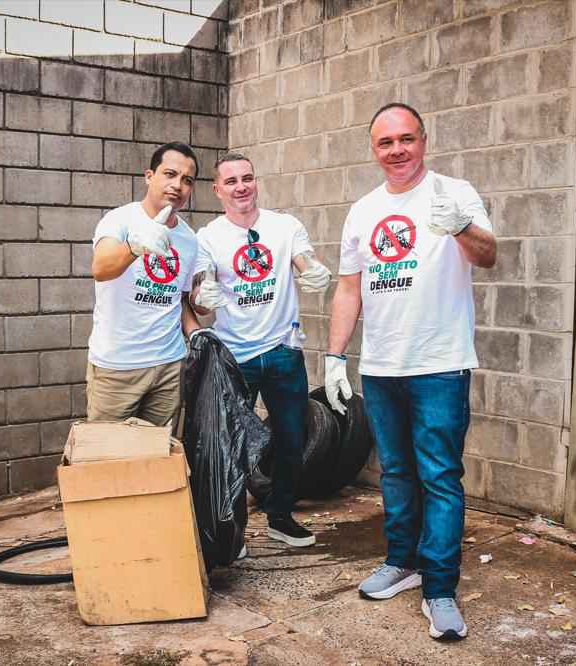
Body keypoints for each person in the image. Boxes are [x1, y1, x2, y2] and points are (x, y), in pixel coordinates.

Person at [324, 103, 497, 640]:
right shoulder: (363, 210)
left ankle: (440, 588)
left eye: (406, 139)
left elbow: (488, 254)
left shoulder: (454, 192)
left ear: (423, 140)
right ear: (373, 149)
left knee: (439, 477)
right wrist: (335, 356)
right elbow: (348, 288)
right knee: (396, 473)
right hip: (381, 367)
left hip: (440, 364)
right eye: (386, 142)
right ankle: (403, 562)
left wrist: (461, 227)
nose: (397, 150)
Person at [189, 153, 332, 548]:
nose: (241, 187)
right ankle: (231, 531)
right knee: (231, 444)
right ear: (217, 190)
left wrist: (314, 272)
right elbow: (200, 291)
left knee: (291, 438)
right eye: (231, 181)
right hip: (236, 356)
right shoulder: (208, 237)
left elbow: (305, 261)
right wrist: (203, 297)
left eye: (247, 178)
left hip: (283, 350)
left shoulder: (284, 227)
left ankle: (280, 516)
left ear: (256, 182)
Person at [86, 142, 203, 427]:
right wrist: (134, 246)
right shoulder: (120, 220)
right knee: (108, 452)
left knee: (160, 451)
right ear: (149, 176)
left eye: (187, 180)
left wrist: (198, 330)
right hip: (118, 367)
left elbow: (178, 299)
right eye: (170, 174)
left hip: (169, 366)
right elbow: (100, 269)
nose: (177, 185)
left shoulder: (189, 239)